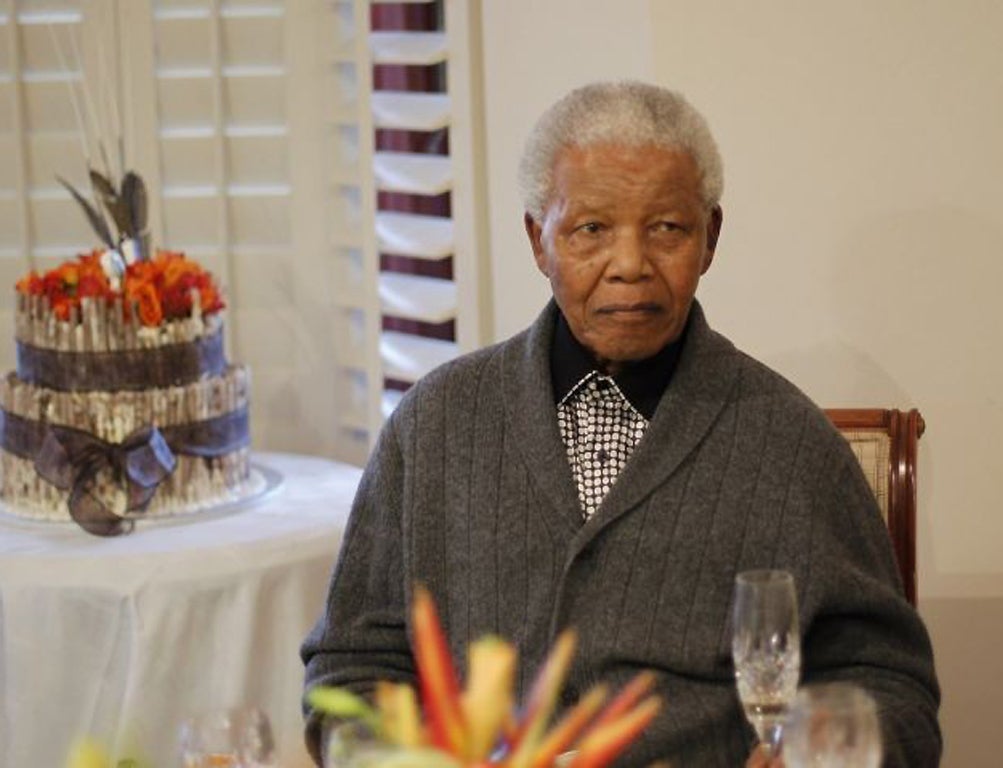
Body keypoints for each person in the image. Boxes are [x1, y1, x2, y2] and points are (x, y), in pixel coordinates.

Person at [301, 81, 941, 767]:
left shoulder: (791, 444)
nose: (630, 265)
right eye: (591, 230)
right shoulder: (436, 424)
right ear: (537, 240)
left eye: (667, 227)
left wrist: (816, 752)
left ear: (710, 238)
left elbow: (889, 685)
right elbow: (352, 665)